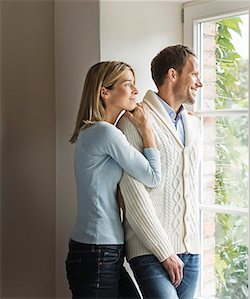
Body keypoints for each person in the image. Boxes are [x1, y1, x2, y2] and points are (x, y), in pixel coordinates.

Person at [66, 61, 161, 298]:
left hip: (98, 249)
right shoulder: (105, 133)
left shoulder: (95, 131)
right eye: (128, 85)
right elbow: (152, 176)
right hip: (98, 251)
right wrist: (147, 129)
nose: (135, 91)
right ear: (104, 92)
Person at [117, 45, 203, 299]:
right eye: (195, 74)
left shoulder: (194, 125)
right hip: (149, 250)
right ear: (173, 75)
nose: (200, 82)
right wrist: (165, 252)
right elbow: (133, 196)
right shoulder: (134, 120)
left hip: (191, 252)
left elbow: (189, 186)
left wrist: (194, 247)